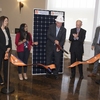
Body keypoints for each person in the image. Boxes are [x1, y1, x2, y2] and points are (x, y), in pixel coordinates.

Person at [46, 15, 66, 79]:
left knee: (57, 61)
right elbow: (48, 35)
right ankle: (48, 72)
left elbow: (63, 39)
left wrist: (59, 47)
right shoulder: (51, 27)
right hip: (50, 47)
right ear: (56, 22)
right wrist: (54, 40)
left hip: (58, 48)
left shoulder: (64, 30)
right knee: (48, 61)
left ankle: (56, 73)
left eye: (61, 23)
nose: (60, 24)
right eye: (59, 23)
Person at [0, 16, 12, 85]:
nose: (7, 22)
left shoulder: (7, 29)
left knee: (6, 66)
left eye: (7, 21)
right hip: (1, 50)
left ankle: (6, 80)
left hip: (7, 50)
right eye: (5, 21)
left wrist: (9, 47)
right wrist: (5, 49)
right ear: (1, 21)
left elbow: (9, 39)